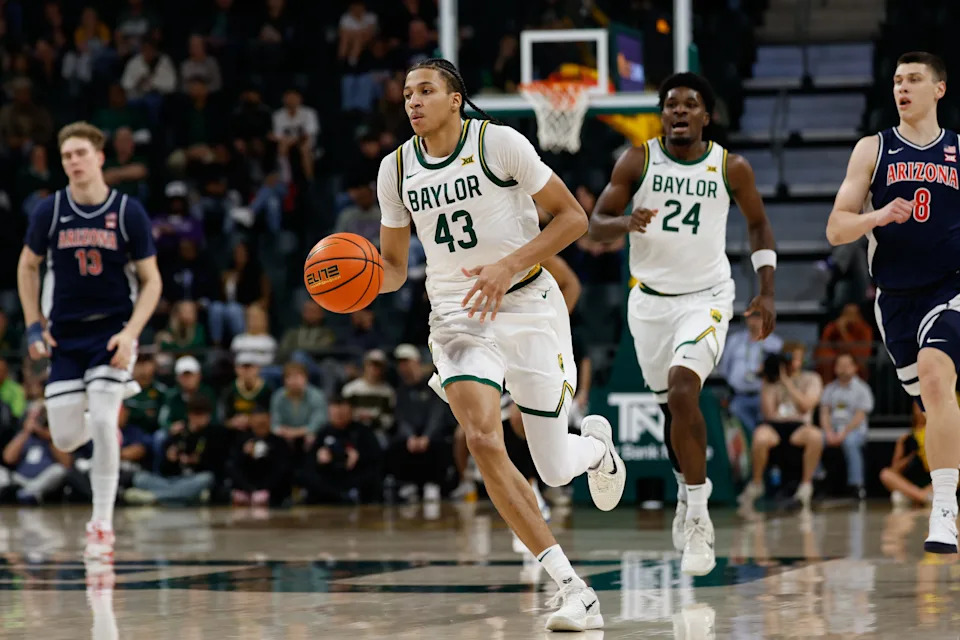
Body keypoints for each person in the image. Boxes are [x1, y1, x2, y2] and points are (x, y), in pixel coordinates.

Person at [376, 57, 623, 631]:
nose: (413, 101)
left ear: (455, 98)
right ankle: (574, 589)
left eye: (426, 90)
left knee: (555, 467)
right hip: (457, 319)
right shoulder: (396, 169)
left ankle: (596, 451)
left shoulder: (500, 144)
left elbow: (572, 219)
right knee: (485, 438)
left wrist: (506, 267)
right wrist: (351, 283)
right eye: (407, 93)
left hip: (529, 306)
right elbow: (390, 267)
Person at [588, 72, 777, 576]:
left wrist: (767, 289)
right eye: (671, 104)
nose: (679, 112)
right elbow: (594, 222)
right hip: (649, 303)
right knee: (670, 409)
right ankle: (683, 487)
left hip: (707, 299)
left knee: (682, 391)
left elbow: (757, 222)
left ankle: (699, 514)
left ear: (706, 116)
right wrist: (624, 222)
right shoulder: (638, 159)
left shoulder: (729, 167)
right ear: (662, 114)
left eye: (689, 105)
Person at [825, 51, 960, 552]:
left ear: (938, 89)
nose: (903, 88)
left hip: (951, 288)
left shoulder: (958, 151)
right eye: (898, 80)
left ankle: (944, 509)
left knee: (935, 374)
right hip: (895, 301)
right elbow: (837, 227)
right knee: (930, 398)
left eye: (915, 80)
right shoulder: (873, 150)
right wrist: (876, 217)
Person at [17, 121, 162, 562]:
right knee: (63, 438)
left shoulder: (128, 212)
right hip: (66, 334)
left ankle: (101, 522)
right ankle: (86, 402)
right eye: (66, 156)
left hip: (112, 331)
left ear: (100, 158)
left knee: (102, 422)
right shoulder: (51, 210)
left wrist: (131, 333)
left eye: (80, 153)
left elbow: (152, 281)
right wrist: (31, 324)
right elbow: (27, 266)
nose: (73, 162)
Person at [739, 343, 824, 509]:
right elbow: (768, 413)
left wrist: (787, 383)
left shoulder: (812, 378)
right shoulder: (772, 380)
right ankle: (757, 483)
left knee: (815, 436)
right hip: (775, 425)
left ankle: (806, 485)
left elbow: (806, 406)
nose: (792, 362)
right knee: (760, 436)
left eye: (796, 358)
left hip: (799, 425)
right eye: (789, 357)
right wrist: (768, 380)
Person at [820, 352, 875, 499]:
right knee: (816, 439)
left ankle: (856, 485)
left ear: (855, 367)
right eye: (840, 365)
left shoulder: (862, 389)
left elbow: (860, 416)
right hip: (833, 429)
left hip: (854, 429)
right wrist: (829, 431)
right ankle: (816, 479)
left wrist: (843, 433)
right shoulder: (829, 389)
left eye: (847, 365)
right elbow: (824, 413)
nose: (843, 368)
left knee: (850, 442)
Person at [719, 313, 783, 434]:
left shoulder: (775, 343)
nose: (754, 320)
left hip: (765, 396)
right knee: (740, 434)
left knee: (766, 432)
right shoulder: (734, 340)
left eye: (758, 316)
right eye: (751, 316)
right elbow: (725, 368)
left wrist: (765, 370)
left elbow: (780, 373)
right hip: (738, 396)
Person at [880, 402, 932, 507]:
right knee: (886, 474)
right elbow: (895, 469)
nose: (921, 411)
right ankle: (921, 496)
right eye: (918, 408)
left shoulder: (940, 434)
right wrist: (912, 456)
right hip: (911, 484)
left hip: (932, 482)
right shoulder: (906, 438)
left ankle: (922, 497)